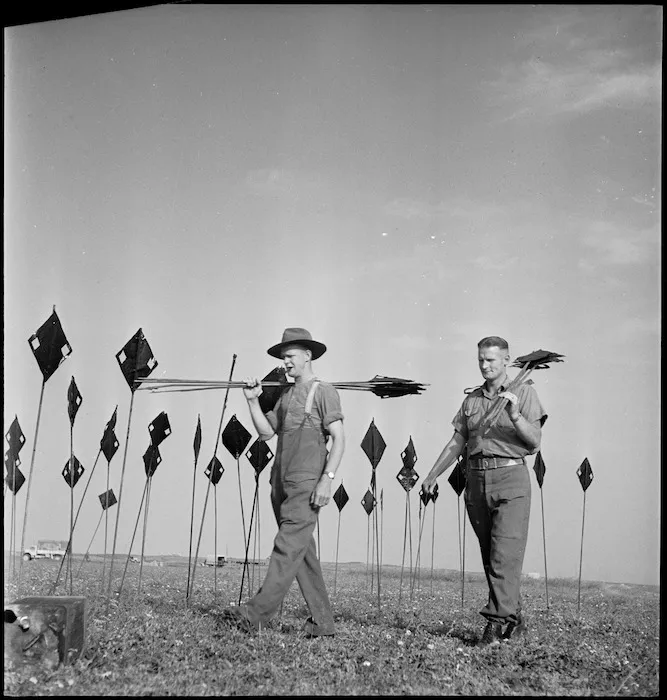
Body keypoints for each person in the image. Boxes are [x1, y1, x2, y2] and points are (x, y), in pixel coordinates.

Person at [220, 327, 345, 637]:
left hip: (306, 483)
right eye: (282, 357)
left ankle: (254, 615)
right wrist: (252, 401)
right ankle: (323, 624)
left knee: (286, 547)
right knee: (301, 553)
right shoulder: (286, 395)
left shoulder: (324, 391)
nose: (285, 362)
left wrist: (327, 481)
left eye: (290, 356)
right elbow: (265, 432)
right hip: (280, 483)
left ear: (308, 355)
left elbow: (340, 440)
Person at [422, 336, 546, 646]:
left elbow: (534, 441)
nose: (484, 365)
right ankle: (514, 618)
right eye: (480, 359)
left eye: (491, 359)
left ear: (507, 360)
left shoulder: (524, 392)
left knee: (504, 554)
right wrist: (432, 474)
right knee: (492, 557)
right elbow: (457, 442)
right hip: (476, 480)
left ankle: (494, 626)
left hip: (511, 477)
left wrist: (515, 416)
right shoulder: (471, 401)